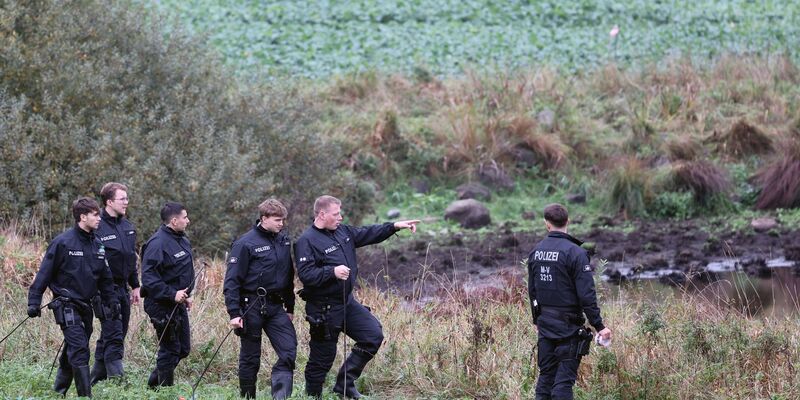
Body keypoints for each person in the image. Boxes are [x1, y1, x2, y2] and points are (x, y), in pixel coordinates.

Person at [295, 195, 419, 399]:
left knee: (372, 336)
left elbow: (368, 233)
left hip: (346, 303)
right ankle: (312, 396)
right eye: (336, 214)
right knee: (322, 358)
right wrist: (332, 272)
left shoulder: (342, 231)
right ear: (322, 214)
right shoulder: (306, 241)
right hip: (323, 309)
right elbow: (306, 275)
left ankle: (344, 385)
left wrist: (394, 226)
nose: (340, 217)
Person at [27, 197, 116, 398]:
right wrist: (34, 301)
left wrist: (112, 302)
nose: (99, 218)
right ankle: (86, 396)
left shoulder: (98, 245)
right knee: (80, 349)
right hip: (66, 305)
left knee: (74, 347)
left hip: (87, 306)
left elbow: (105, 279)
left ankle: (58, 392)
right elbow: (44, 274)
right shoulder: (62, 242)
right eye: (95, 215)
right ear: (83, 217)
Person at [527, 203, 612, 400]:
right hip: (568, 328)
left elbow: (532, 292)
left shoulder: (536, 252)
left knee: (545, 378)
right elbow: (586, 295)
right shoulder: (576, 253)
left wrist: (537, 320)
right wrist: (599, 326)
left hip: (545, 325)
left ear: (547, 223)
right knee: (563, 384)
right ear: (568, 221)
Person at [224, 199, 297, 399]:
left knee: (289, 349)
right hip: (251, 306)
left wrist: (290, 307)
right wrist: (234, 313)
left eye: (283, 220)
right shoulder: (245, 243)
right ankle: (248, 396)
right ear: (264, 218)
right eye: (277, 220)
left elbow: (288, 276)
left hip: (275, 306)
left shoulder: (283, 241)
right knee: (250, 357)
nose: (281, 224)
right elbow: (232, 281)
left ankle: (280, 396)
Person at [90, 182, 141, 384]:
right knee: (113, 334)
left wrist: (135, 285)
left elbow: (130, 258)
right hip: (103, 290)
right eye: (122, 199)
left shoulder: (128, 227)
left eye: (127, 198)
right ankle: (118, 382)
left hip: (123, 289)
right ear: (109, 202)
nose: (126, 202)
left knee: (118, 332)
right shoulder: (97, 227)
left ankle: (94, 378)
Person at [141, 202, 194, 389]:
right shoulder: (157, 243)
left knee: (183, 349)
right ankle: (165, 392)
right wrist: (172, 294)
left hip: (177, 303)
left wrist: (186, 295)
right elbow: (148, 278)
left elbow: (179, 272)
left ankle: (153, 386)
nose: (188, 220)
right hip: (160, 304)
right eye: (185, 217)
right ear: (174, 221)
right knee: (170, 349)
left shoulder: (182, 239)